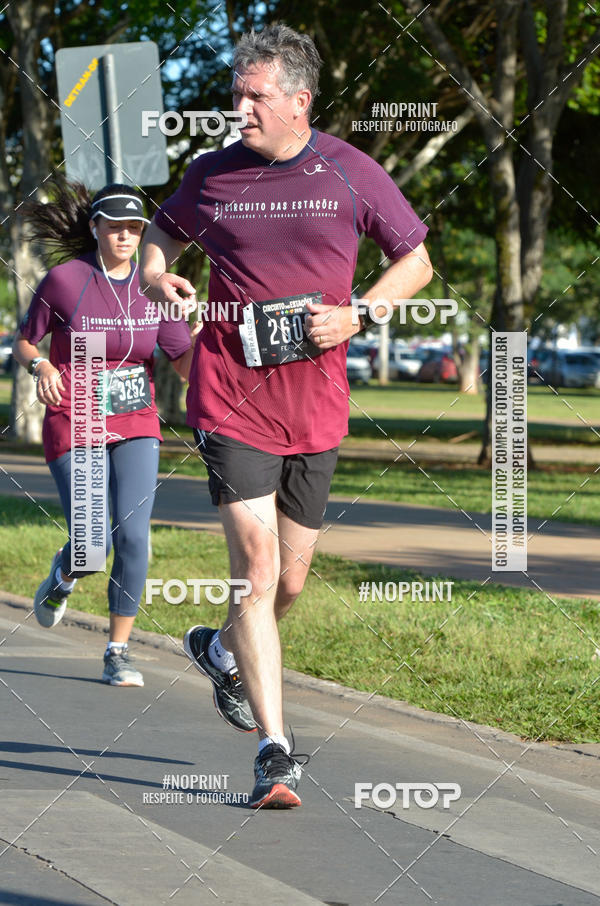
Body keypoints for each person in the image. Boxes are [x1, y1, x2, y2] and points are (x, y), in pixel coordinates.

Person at [140, 24, 433, 807]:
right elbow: (159, 237)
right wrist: (158, 276)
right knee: (259, 572)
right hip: (229, 397)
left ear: (300, 101)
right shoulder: (212, 174)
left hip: (316, 404)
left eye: (255, 97)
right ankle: (275, 752)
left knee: (292, 582)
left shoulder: (351, 171)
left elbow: (416, 261)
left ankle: (219, 651)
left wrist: (359, 314)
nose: (239, 110)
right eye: (235, 95)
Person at [13, 179, 195, 687]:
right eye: (115, 227)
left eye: (134, 228)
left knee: (133, 536)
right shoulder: (66, 279)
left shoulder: (156, 288)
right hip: (77, 417)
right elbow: (25, 342)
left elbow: (184, 362)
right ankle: (65, 573)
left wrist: (209, 343)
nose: (125, 236)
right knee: (92, 546)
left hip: (136, 419)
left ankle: (118, 650)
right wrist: (42, 367)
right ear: (95, 227)